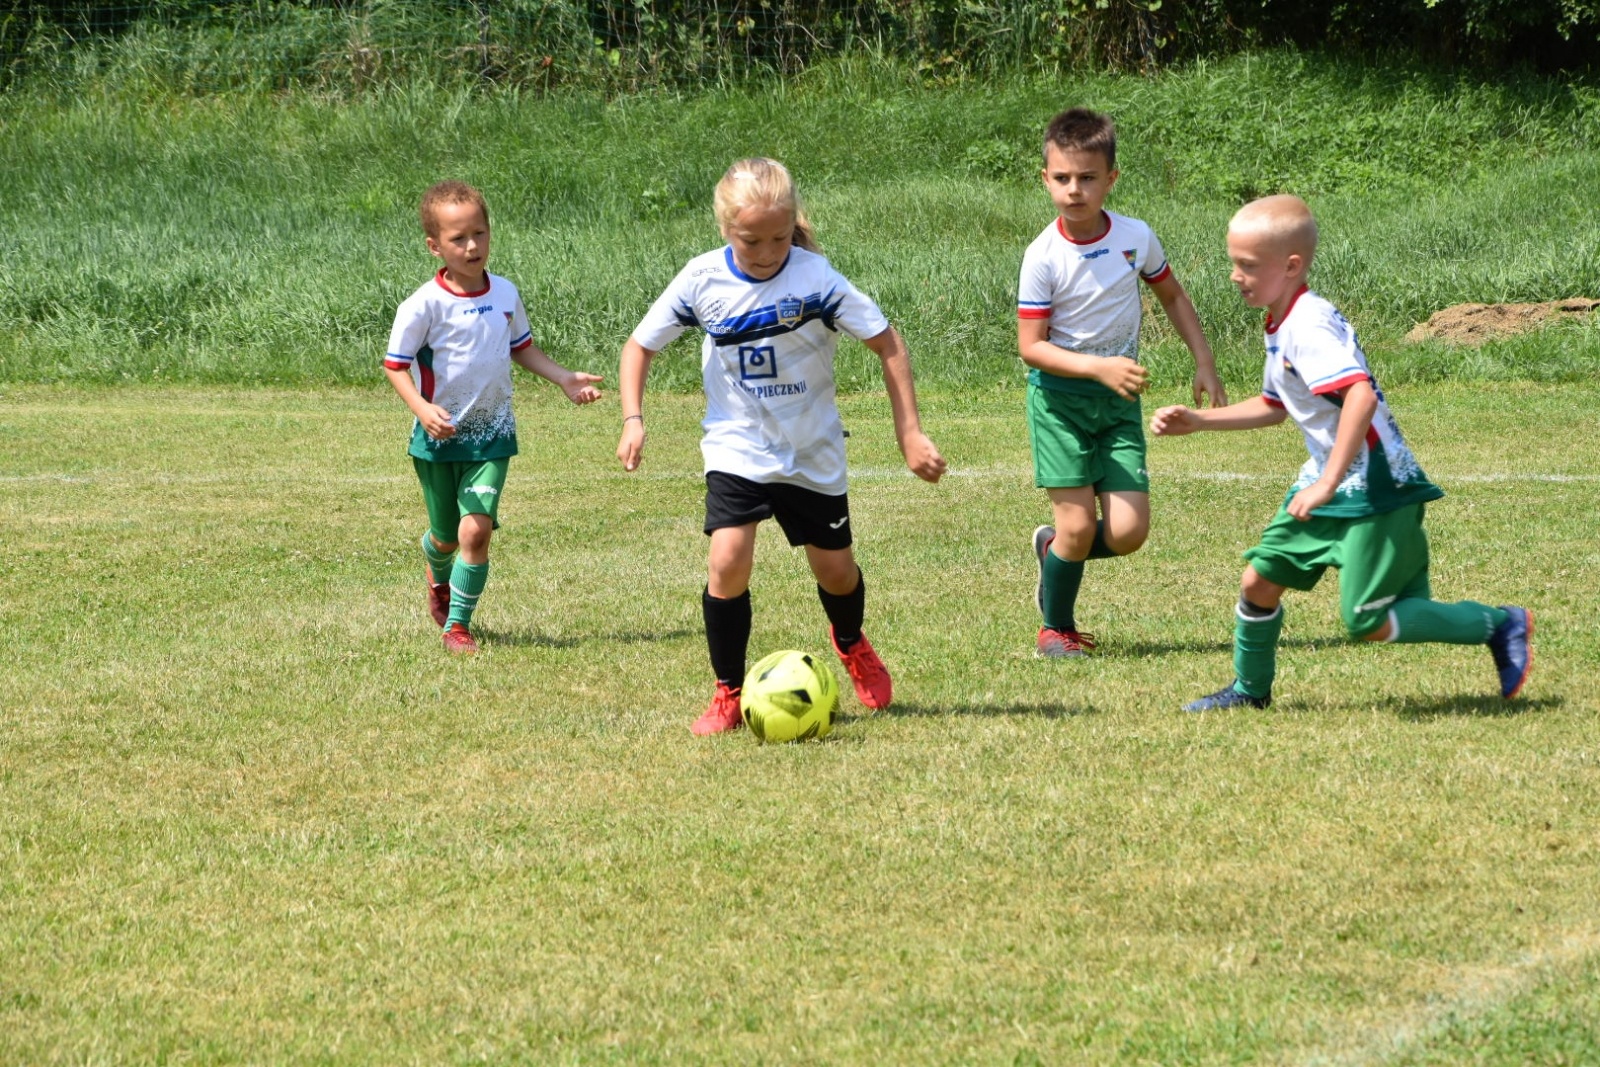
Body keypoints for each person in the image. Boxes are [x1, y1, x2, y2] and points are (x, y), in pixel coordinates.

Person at [1150, 194, 1532, 709]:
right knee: (1260, 580)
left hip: (1372, 484)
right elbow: (1273, 405)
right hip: (1329, 478)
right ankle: (1250, 691)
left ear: (1291, 266)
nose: (1235, 276)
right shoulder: (1283, 320)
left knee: (1368, 620)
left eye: (1247, 265)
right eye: (1232, 263)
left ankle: (1499, 623)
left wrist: (1328, 481)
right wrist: (1200, 422)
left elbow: (1359, 394)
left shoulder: (1307, 326)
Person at [615, 157, 946, 735]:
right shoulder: (700, 280)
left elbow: (889, 345)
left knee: (837, 574)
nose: (767, 252)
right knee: (727, 559)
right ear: (724, 229)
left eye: (777, 236)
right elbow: (638, 348)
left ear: (793, 222)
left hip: (811, 451)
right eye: (750, 240)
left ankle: (849, 641)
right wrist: (633, 417)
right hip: (736, 446)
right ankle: (727, 690)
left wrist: (910, 432)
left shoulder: (817, 280)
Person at [1018, 108, 1225, 658]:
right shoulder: (1043, 256)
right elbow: (1030, 346)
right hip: (1059, 404)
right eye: (1062, 178)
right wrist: (1098, 366)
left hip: (1118, 403)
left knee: (1129, 532)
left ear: (1111, 179)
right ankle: (1055, 628)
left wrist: (1204, 360)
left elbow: (1173, 296)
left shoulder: (1135, 237)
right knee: (1080, 525)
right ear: (1046, 180)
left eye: (1087, 178)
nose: (1074, 190)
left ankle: (1054, 551)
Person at [384, 180, 603, 655]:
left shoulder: (505, 293)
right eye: (458, 238)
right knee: (445, 539)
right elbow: (395, 366)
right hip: (439, 439)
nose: (471, 246)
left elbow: (522, 348)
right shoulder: (423, 304)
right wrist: (422, 410)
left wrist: (563, 378)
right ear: (434, 246)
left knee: (475, 531)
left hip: (492, 437)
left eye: (479, 234)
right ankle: (436, 575)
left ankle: (458, 626)